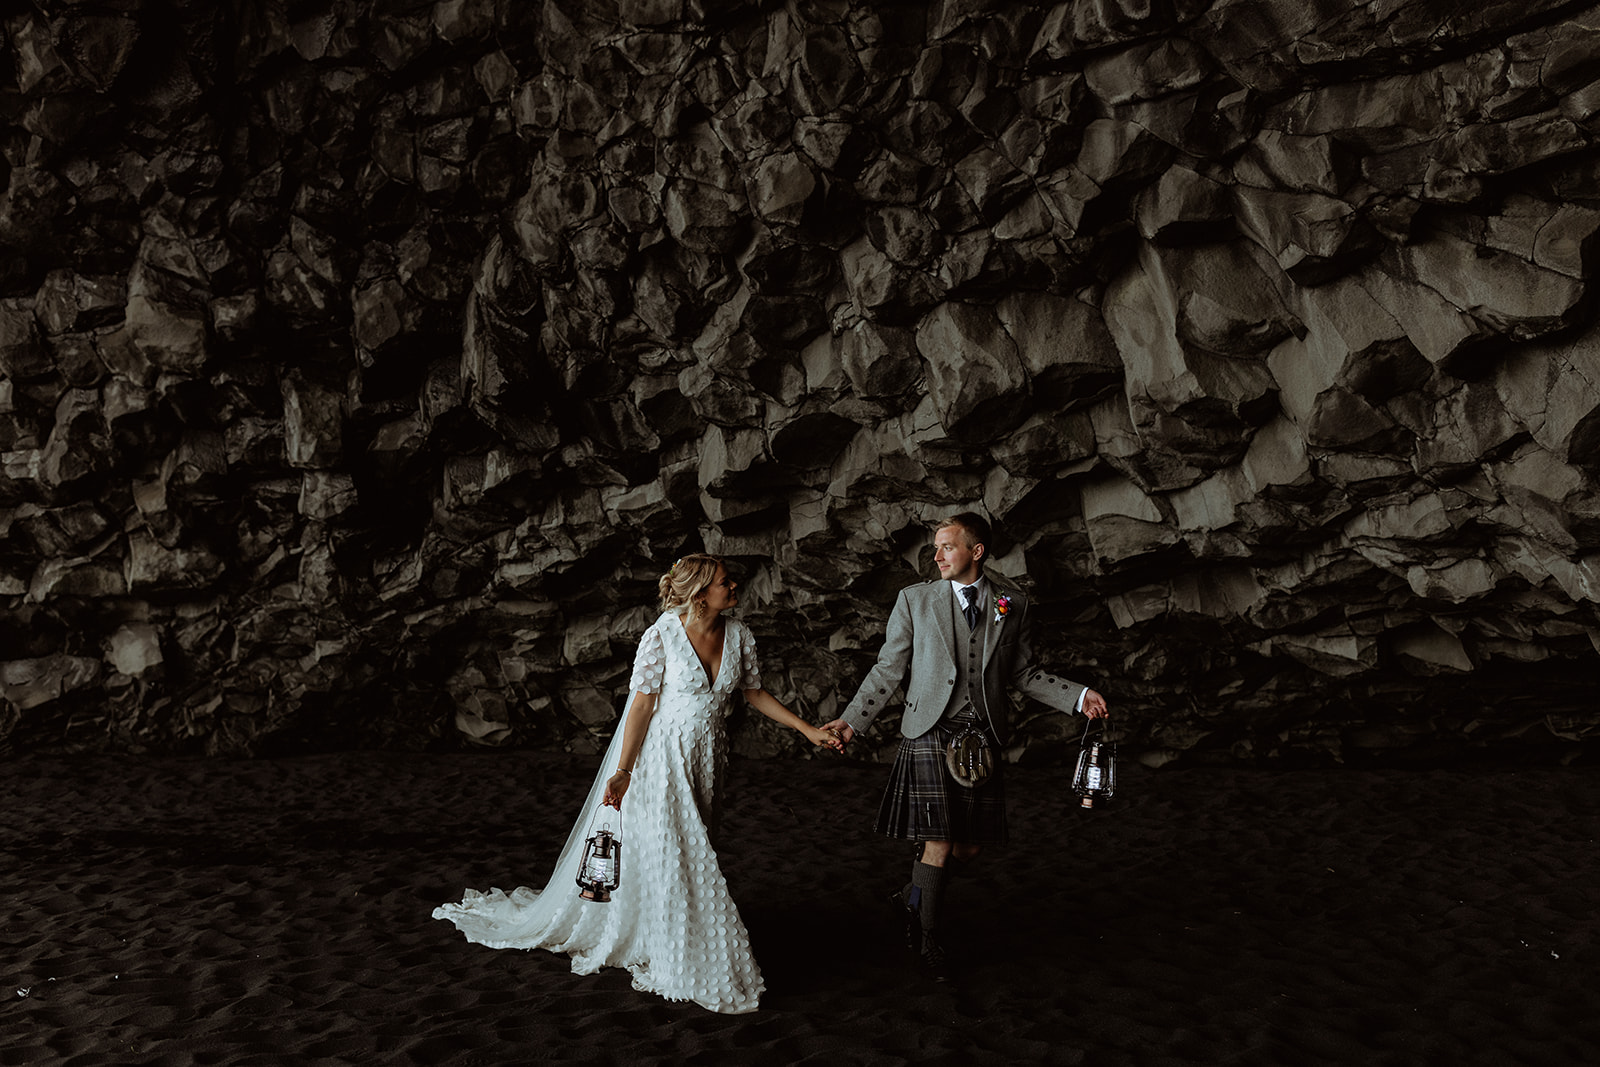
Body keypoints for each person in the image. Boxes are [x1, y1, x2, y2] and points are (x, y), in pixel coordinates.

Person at [434, 554, 842, 1014]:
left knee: (691, 849)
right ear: (700, 593)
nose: (735, 586)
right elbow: (642, 707)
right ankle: (685, 958)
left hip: (707, 761)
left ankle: (658, 933)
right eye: (726, 582)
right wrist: (624, 770)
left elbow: (754, 693)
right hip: (660, 762)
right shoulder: (662, 635)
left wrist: (808, 730)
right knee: (678, 853)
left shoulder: (741, 636)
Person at [823, 512, 1109, 982]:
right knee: (938, 839)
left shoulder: (1011, 603)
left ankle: (913, 896)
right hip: (930, 729)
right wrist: (853, 723)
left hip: (982, 736)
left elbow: (1022, 674)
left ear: (976, 552)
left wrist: (1077, 696)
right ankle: (930, 938)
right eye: (936, 548)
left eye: (947, 547)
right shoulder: (914, 600)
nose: (936, 557)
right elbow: (888, 670)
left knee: (969, 848)